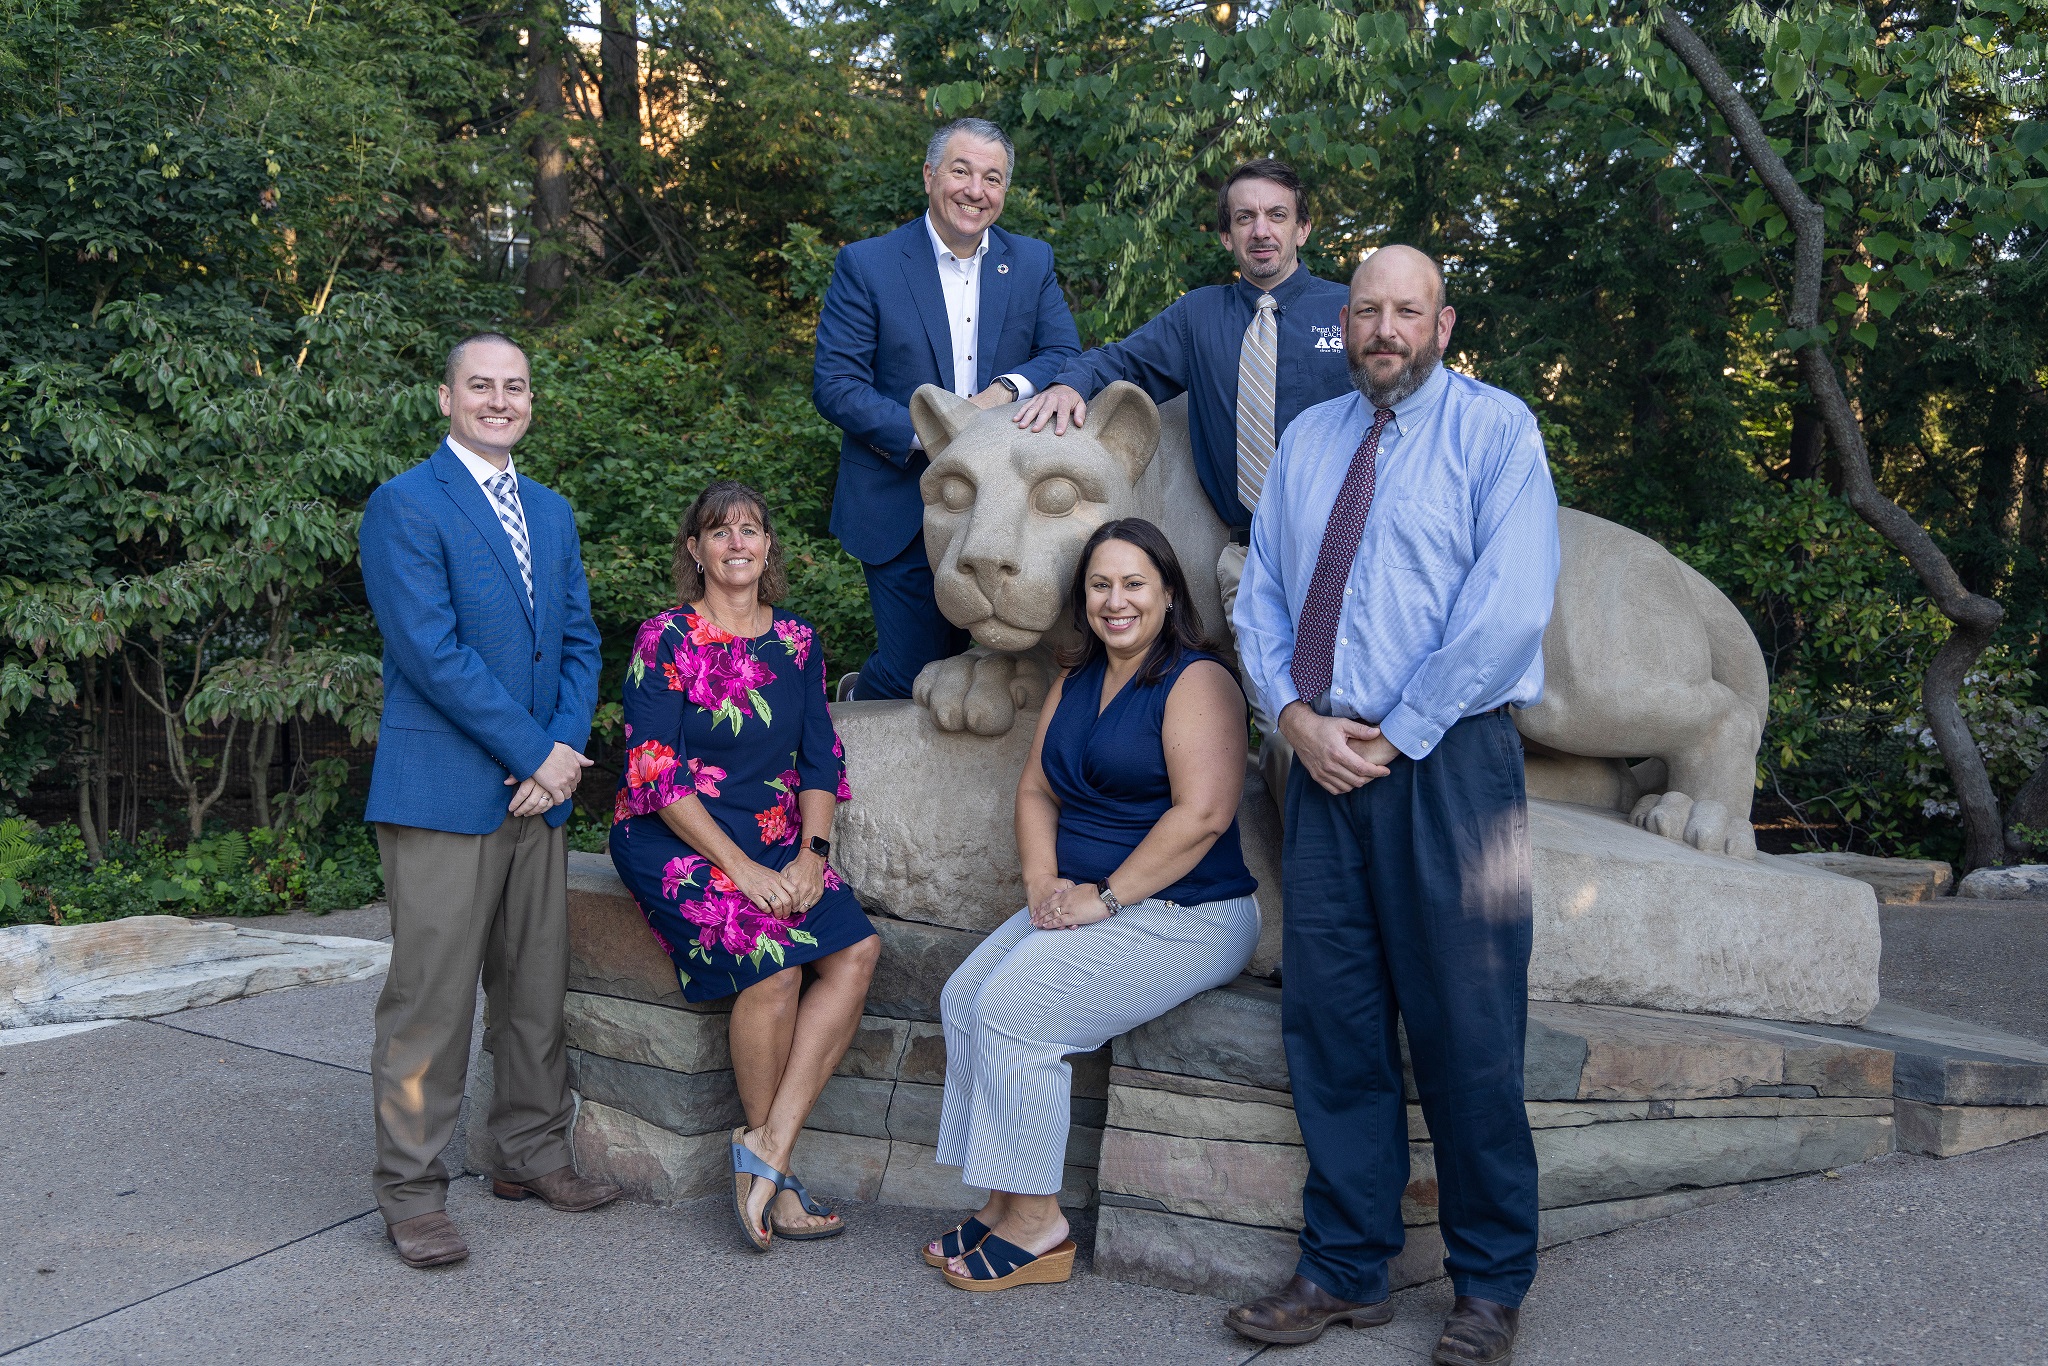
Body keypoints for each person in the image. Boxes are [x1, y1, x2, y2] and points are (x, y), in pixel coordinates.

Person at [1227, 245, 1561, 1365]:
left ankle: (1487, 1284)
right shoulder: (1310, 442)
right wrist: (1291, 719)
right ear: (1346, 328)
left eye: (1404, 311)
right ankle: (1343, 1267)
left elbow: (1506, 607)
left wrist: (1399, 727)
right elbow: (1262, 595)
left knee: (1468, 1032)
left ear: (1442, 323)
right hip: (1323, 770)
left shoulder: (1495, 431)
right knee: (1332, 1027)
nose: (1382, 328)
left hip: (1448, 767)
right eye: (1365, 310)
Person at [926, 519, 1261, 1292]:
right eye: (1101, 585)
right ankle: (1005, 1199)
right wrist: (1043, 883)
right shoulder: (1076, 679)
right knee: (967, 997)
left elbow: (1204, 814)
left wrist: (1105, 898)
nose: (1117, 601)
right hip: (1086, 900)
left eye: (1135, 584)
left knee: (1015, 1009)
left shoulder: (1198, 680)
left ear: (1169, 592)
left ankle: (1040, 1226)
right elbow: (1038, 788)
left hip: (1189, 913)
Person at [358, 332, 619, 1269]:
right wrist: (533, 752)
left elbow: (581, 640)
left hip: (534, 799)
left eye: (514, 387)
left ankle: (529, 1153)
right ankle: (412, 1193)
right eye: (481, 386)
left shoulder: (549, 512)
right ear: (446, 399)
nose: (499, 400)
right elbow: (431, 656)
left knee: (533, 993)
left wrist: (558, 754)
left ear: (531, 402)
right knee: (429, 1005)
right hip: (443, 795)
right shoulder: (405, 505)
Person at [1012, 157, 1353, 801]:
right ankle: (1299, 880)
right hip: (1250, 557)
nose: (1261, 230)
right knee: (1284, 728)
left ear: (1303, 228)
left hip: (1346, 553)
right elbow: (1118, 361)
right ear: (1226, 236)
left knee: (1352, 715)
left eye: (1277, 216)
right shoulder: (1200, 318)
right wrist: (1068, 383)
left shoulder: (1346, 310)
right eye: (1244, 218)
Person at [608, 480, 881, 1252]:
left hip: (774, 837)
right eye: (718, 532)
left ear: (768, 548)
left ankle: (768, 1148)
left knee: (858, 950)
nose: (736, 544)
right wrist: (744, 872)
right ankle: (777, 1180)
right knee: (775, 968)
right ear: (694, 550)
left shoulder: (797, 639)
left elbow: (821, 758)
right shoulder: (666, 637)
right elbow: (655, 771)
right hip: (674, 836)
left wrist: (809, 854)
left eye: (750, 530)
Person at [813, 117, 1082, 701]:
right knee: (918, 671)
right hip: (900, 500)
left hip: (1004, 509)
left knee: (999, 670)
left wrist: (1005, 391)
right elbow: (835, 384)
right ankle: (858, 705)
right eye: (961, 171)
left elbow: (1062, 352)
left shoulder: (1031, 262)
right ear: (931, 175)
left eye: (993, 178)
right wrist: (935, 436)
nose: (975, 190)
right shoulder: (869, 264)